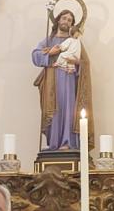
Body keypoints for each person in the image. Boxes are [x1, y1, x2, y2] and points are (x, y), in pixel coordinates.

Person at [31, 8, 86, 150]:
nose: (66, 21)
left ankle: (67, 141)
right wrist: (50, 52)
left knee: (68, 108)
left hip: (69, 78)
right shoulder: (49, 40)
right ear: (58, 20)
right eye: (64, 18)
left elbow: (84, 62)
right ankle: (54, 142)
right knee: (53, 109)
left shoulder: (75, 41)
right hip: (52, 80)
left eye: (70, 20)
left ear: (72, 25)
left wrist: (76, 62)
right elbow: (35, 56)